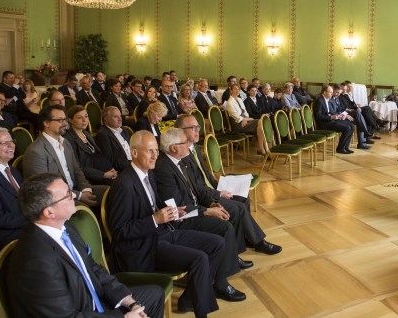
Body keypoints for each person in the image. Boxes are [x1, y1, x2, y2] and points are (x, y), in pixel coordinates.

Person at [106, 131, 238, 316]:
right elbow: (119, 231)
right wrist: (155, 220)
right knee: (199, 258)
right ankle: (201, 312)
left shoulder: (149, 174)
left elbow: (154, 206)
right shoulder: (124, 184)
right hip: (142, 248)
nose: (155, 156)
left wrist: (175, 211)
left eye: (156, 150)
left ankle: (189, 299)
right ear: (134, 153)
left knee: (217, 243)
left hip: (161, 233)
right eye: (149, 151)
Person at [8, 173, 163, 317]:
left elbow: (93, 268)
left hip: (94, 302)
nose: (74, 195)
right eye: (68, 194)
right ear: (49, 213)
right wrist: (123, 317)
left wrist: (129, 302)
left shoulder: (66, 227)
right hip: (81, 312)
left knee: (154, 294)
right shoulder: (35, 261)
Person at [175, 114, 281, 255]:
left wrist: (220, 183)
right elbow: (197, 188)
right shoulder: (181, 155)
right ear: (180, 131)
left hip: (211, 188)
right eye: (192, 128)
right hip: (205, 197)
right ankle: (257, 243)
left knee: (244, 199)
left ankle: (248, 236)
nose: (197, 131)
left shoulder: (195, 148)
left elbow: (206, 174)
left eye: (198, 127)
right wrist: (218, 193)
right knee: (239, 208)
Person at [154, 127, 252, 273]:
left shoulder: (180, 160)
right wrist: (207, 211)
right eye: (185, 142)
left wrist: (211, 203)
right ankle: (225, 271)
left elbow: (196, 189)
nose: (189, 144)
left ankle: (231, 259)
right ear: (174, 148)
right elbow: (179, 207)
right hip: (183, 218)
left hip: (195, 207)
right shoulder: (163, 169)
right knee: (225, 227)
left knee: (228, 214)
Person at [23, 105, 103, 207]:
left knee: (111, 191)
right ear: (46, 123)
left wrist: (85, 189)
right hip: (57, 199)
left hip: (76, 190)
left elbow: (77, 170)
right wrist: (79, 196)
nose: (65, 123)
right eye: (60, 120)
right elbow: (45, 187)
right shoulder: (36, 151)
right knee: (83, 207)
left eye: (65, 119)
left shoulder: (65, 142)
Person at [63, 105, 118, 185]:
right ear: (70, 120)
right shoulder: (68, 139)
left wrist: (111, 169)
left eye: (86, 116)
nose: (84, 120)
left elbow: (98, 155)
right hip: (90, 178)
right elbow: (78, 167)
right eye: (79, 118)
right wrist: (103, 175)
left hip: (104, 171)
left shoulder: (86, 134)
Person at [314, 85, 354, 154]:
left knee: (352, 126)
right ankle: (340, 148)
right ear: (324, 92)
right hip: (324, 124)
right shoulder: (320, 101)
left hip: (331, 121)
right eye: (330, 92)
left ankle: (346, 147)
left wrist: (338, 116)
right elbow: (318, 116)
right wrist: (331, 117)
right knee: (347, 128)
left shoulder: (327, 100)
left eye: (332, 92)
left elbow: (330, 111)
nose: (332, 94)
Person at [95, 106, 133, 173]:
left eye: (120, 116)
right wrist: (133, 164)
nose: (120, 119)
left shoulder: (124, 130)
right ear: (106, 119)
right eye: (115, 117)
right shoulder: (102, 135)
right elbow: (111, 161)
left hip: (134, 163)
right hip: (123, 170)